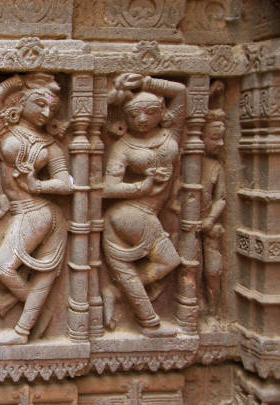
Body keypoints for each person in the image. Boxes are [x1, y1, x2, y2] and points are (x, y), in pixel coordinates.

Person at [0, 73, 72, 345]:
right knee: (9, 270)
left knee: (2, 268)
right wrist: (17, 82)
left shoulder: (49, 145)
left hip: (35, 211)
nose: (46, 113)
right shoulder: (3, 126)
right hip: (21, 211)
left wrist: (36, 185)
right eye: (39, 104)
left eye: (52, 109)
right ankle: (33, 321)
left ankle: (29, 322)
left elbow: (65, 183)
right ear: (21, 103)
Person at [102, 73, 186, 337]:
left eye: (150, 112)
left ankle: (118, 293)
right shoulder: (123, 146)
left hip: (149, 212)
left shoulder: (171, 132)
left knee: (168, 262)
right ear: (125, 118)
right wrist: (143, 185)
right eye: (134, 114)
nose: (142, 119)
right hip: (131, 212)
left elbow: (183, 93)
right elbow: (106, 187)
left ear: (161, 112)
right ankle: (145, 319)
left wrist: (146, 83)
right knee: (170, 260)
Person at [201, 84, 227, 318]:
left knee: (213, 267)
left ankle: (213, 308)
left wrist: (210, 220)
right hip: (185, 220)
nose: (219, 144)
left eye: (221, 139)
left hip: (209, 226)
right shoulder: (188, 160)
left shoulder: (215, 166)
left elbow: (222, 199)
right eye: (215, 138)